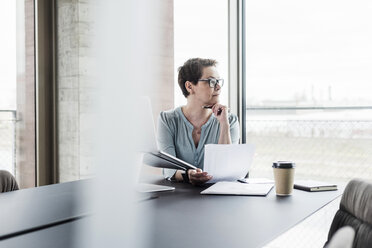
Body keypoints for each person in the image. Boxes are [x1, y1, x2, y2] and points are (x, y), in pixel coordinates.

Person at [157, 58, 239, 185]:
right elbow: (169, 169)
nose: (218, 87)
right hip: (179, 197)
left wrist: (224, 124)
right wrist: (187, 175)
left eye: (218, 81)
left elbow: (227, 169)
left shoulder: (230, 120)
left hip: (218, 197)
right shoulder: (167, 119)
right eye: (211, 81)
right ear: (190, 86)